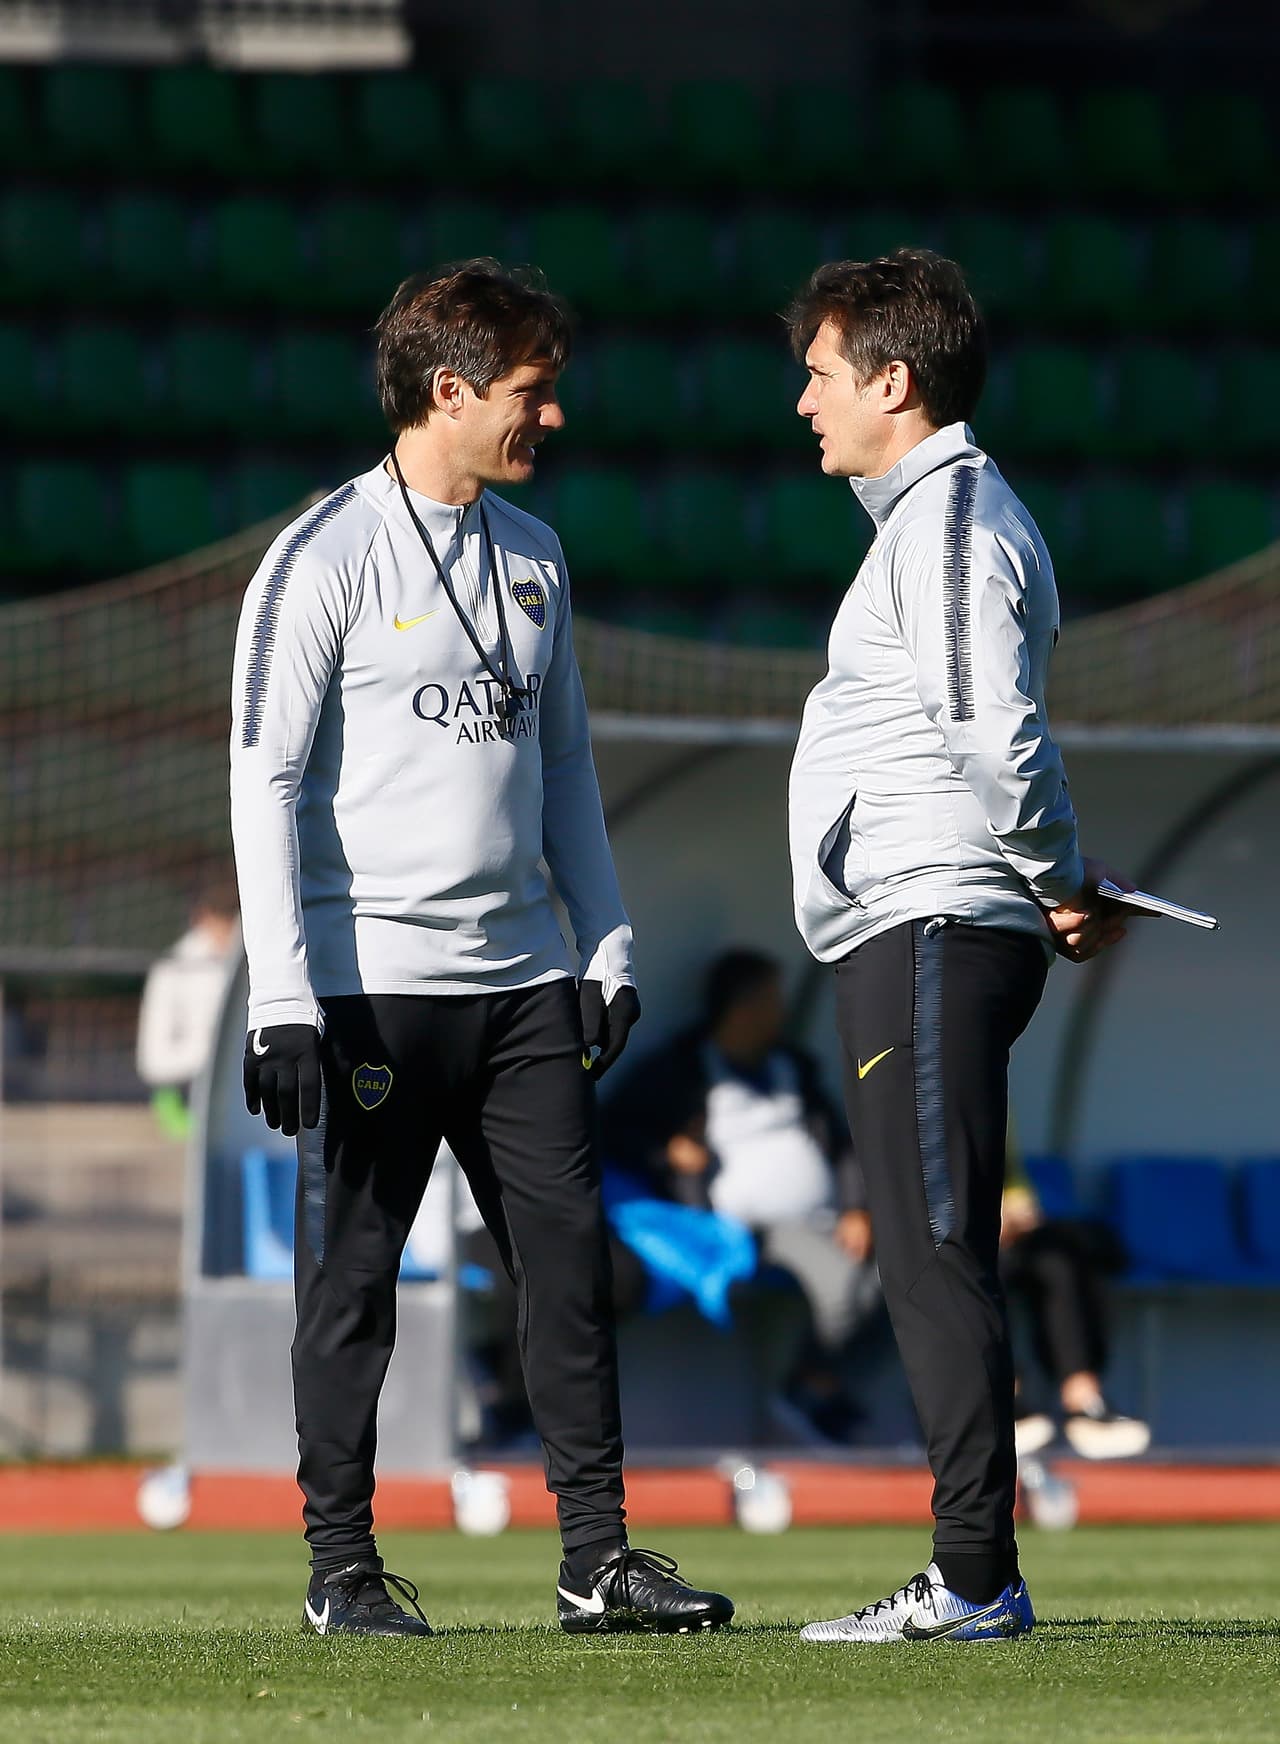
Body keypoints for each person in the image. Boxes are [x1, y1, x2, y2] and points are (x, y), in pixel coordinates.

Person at [229, 259, 732, 1639]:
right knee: (356, 1288)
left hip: (523, 988)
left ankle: (599, 1559)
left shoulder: (536, 555)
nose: (551, 417)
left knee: (568, 1273)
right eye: (531, 391)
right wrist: (284, 1000)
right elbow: (261, 778)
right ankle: (342, 1569)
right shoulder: (321, 556)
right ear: (448, 392)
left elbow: (565, 764)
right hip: (369, 992)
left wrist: (608, 943)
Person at [785, 248, 1131, 1644]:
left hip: (934, 922)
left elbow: (994, 730)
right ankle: (976, 1567)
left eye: (819, 374)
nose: (802, 402)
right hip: (921, 920)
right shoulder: (937, 519)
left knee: (933, 1250)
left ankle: (975, 1577)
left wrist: (1050, 873)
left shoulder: (946, 521)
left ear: (892, 380)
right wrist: (1055, 872)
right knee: (934, 1244)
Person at [603, 947, 881, 1436]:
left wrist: (858, 1208)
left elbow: (841, 1143)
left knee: (896, 1278)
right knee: (845, 1288)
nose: (782, 1010)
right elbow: (613, 1130)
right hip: (749, 1229)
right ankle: (808, 1394)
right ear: (742, 1005)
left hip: (827, 1218)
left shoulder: (793, 1068)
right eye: (772, 999)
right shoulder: (682, 1068)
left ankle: (816, 1389)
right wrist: (668, 1152)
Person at [136, 878, 240, 1135]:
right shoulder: (173, 967)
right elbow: (153, 1060)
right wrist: (211, 1056)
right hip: (185, 1100)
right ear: (203, 918)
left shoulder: (251, 962)